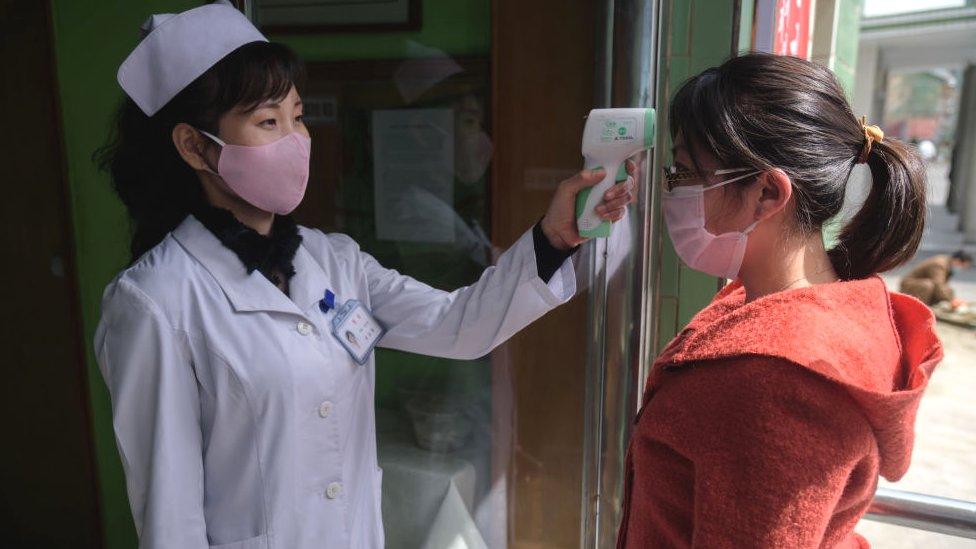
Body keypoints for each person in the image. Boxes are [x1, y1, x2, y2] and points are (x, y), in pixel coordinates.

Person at [93, 2, 636, 548]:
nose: (295, 138)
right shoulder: (155, 301)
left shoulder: (334, 260)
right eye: (267, 121)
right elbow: (170, 520)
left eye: (297, 116)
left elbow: (461, 325)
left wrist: (553, 239)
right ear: (193, 146)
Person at [617, 53, 943, 548]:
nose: (669, 192)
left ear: (767, 193)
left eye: (684, 174)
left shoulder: (774, 382)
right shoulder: (830, 311)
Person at [899, 250, 973, 307]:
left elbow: (944, 286)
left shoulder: (948, 265)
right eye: (963, 266)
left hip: (924, 286)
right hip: (910, 286)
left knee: (949, 290)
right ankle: (918, 308)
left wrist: (953, 298)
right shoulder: (939, 264)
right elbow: (938, 284)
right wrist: (952, 300)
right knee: (928, 285)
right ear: (958, 261)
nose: (961, 269)